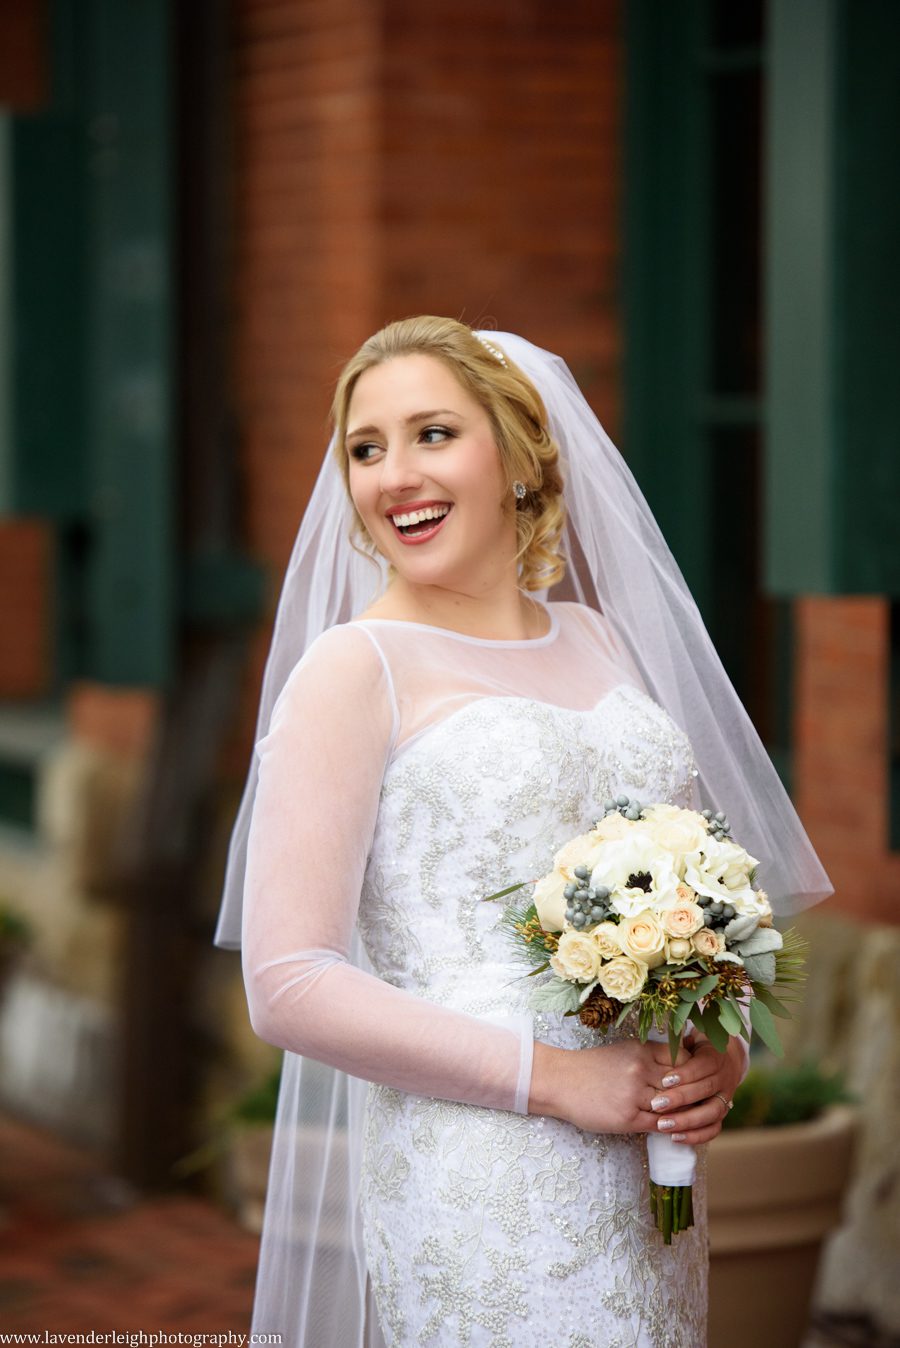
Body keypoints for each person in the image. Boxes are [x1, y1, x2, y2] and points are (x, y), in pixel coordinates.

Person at [215, 318, 831, 1348]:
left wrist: (712, 1052)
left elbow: (688, 890)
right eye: (365, 448)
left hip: (645, 1172)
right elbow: (289, 982)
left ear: (519, 454)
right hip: (483, 1172)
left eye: (433, 433)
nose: (394, 476)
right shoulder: (354, 671)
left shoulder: (599, 637)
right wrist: (559, 1080)